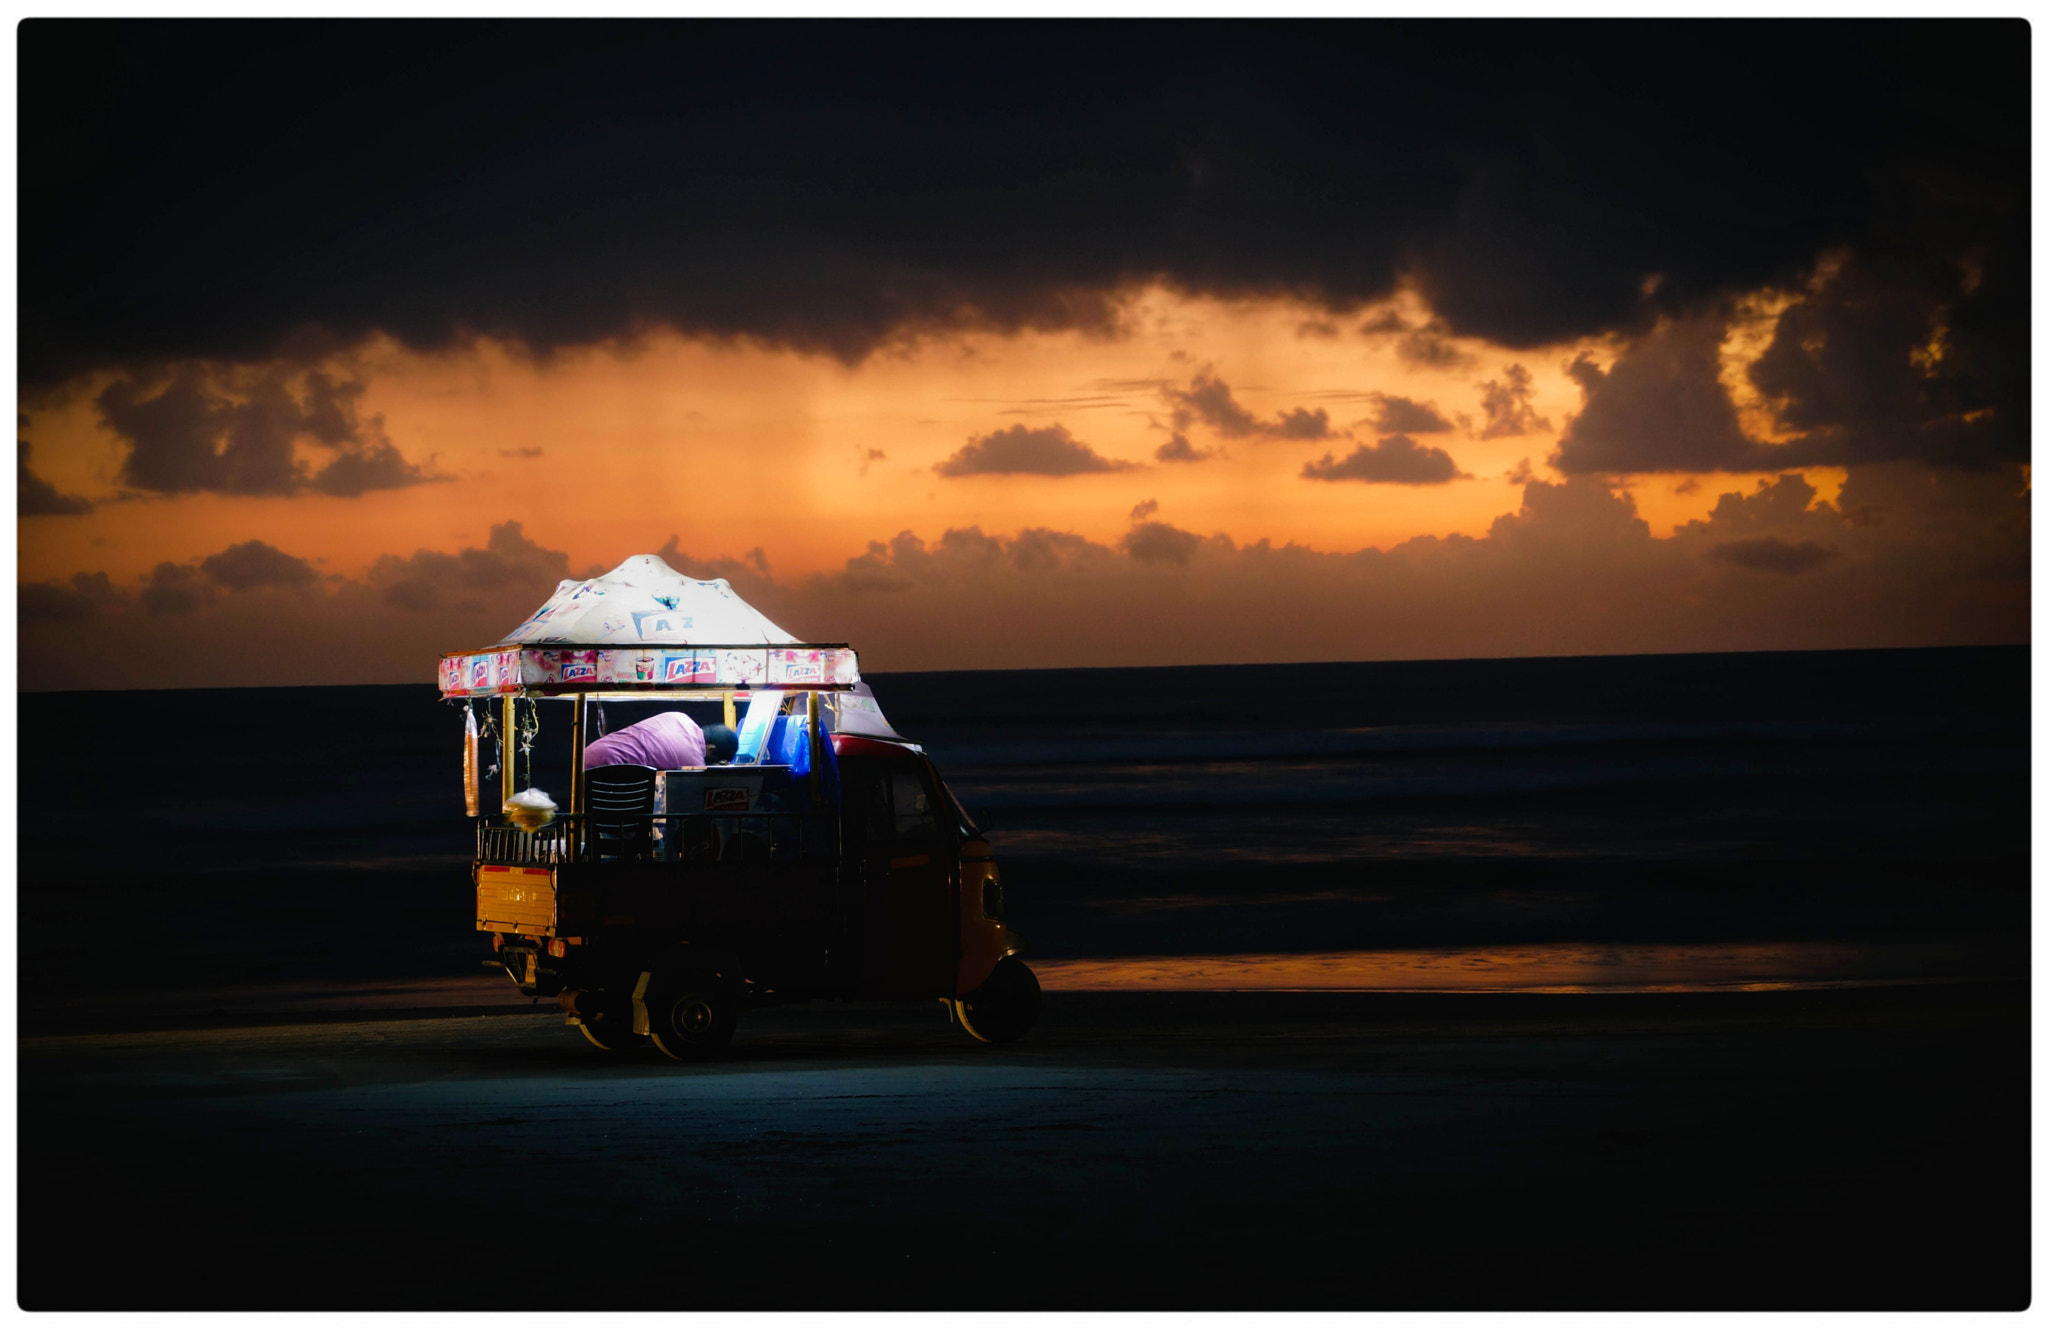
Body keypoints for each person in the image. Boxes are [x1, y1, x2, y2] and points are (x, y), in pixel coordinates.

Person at [583, 710, 706, 769]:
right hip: (612, 764)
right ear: (711, 747)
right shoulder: (693, 760)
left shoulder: (680, 717)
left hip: (592, 751)